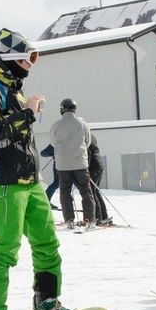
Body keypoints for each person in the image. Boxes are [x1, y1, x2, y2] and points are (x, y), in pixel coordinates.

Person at [0, 28, 76, 310]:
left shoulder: (12, 89)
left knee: (47, 243)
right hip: (3, 183)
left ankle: (46, 301)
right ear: (11, 58)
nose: (31, 65)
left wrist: (25, 110)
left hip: (29, 180)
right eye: (28, 58)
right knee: (4, 250)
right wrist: (28, 112)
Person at [50, 98, 96, 231]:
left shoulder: (56, 124)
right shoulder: (82, 124)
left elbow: (53, 142)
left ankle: (69, 220)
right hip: (80, 163)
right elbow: (87, 142)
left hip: (63, 165)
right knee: (86, 191)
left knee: (65, 192)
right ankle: (90, 220)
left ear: (62, 108)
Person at [87, 134, 111, 225]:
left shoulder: (84, 137)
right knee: (96, 191)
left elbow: (88, 153)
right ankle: (104, 216)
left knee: (92, 192)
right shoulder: (91, 136)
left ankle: (98, 217)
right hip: (99, 164)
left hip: (93, 166)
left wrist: (86, 168)